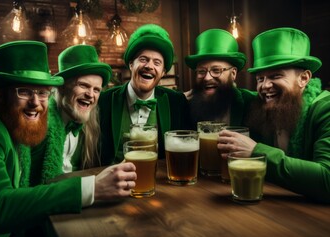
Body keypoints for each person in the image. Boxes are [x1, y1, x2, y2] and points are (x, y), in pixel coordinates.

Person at [0, 41, 137, 237]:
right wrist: (92, 188)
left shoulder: (21, 127)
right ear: (0, 94)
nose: (36, 103)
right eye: (24, 91)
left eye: (42, 93)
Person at [217, 27, 330, 203]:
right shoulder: (265, 105)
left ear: (304, 78)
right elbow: (234, 94)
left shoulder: (326, 110)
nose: (265, 86)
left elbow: (327, 179)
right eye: (260, 79)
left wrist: (256, 152)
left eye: (276, 75)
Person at [19, 44, 112, 187]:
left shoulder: (87, 125)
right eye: (83, 85)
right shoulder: (39, 123)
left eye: (96, 90)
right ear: (62, 87)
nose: (90, 95)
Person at [98, 24, 190, 165]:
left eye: (157, 62)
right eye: (143, 59)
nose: (149, 66)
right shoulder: (104, 100)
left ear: (163, 72)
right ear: (131, 64)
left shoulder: (176, 101)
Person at [184, 28, 257, 129]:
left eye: (216, 70)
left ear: (233, 73)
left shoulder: (254, 102)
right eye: (201, 71)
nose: (207, 78)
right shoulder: (187, 105)